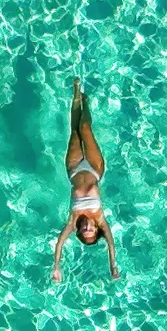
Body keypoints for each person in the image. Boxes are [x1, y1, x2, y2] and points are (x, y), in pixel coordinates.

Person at [52, 79, 120, 281]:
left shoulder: (73, 222)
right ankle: (86, 102)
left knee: (74, 131)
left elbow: (60, 243)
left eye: (84, 231)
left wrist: (57, 267)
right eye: (91, 231)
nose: (87, 228)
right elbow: (110, 243)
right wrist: (113, 267)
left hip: (73, 169)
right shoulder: (100, 218)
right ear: (97, 229)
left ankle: (75, 94)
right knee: (85, 128)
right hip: (94, 167)